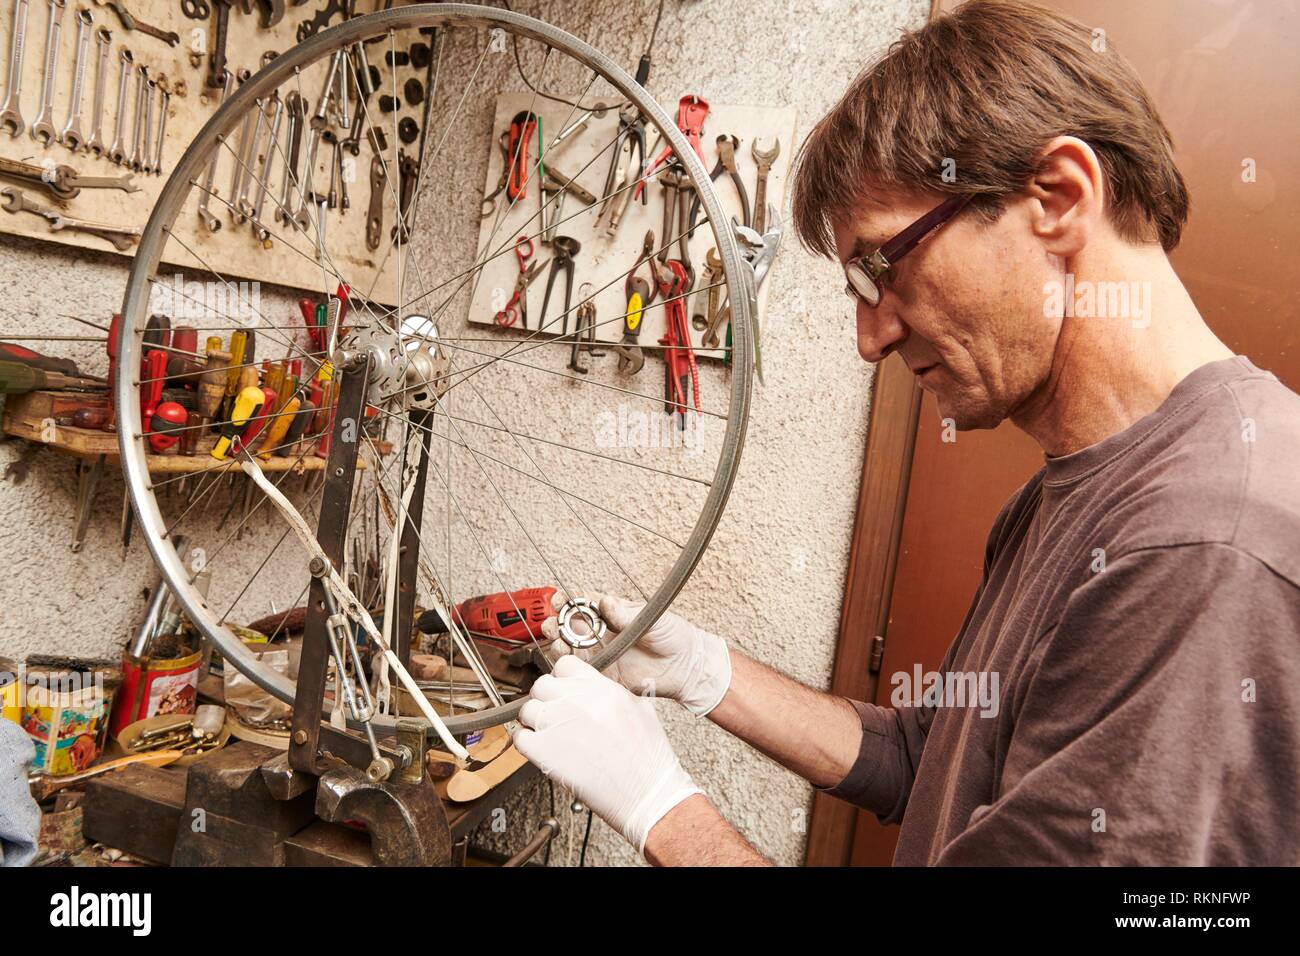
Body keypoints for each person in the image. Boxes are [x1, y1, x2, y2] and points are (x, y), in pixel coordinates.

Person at [512, 0, 1300, 865]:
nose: (870, 337)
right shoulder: (1067, 492)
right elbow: (932, 761)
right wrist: (704, 672)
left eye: (879, 268)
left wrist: (657, 805)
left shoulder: (1202, 545)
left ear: (1059, 198)